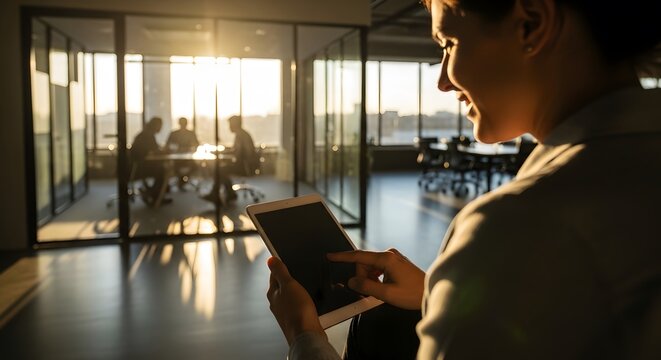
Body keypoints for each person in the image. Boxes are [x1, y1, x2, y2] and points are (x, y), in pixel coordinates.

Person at [266, 0, 661, 359]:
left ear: (533, 25)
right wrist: (438, 293)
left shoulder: (517, 224)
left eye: (448, 44)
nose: (442, 81)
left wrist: (304, 335)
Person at [201, 115, 258, 205]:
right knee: (222, 169)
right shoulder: (242, 134)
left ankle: (217, 194)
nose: (229, 127)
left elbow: (238, 154)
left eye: (230, 124)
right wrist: (223, 153)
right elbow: (237, 151)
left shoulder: (240, 135)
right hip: (245, 164)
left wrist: (223, 155)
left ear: (236, 124)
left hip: (245, 167)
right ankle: (230, 194)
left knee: (219, 170)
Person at [131, 116, 172, 206]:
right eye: (160, 126)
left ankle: (152, 192)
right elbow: (156, 151)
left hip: (135, 166)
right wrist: (166, 150)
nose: (161, 128)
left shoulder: (144, 134)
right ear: (156, 125)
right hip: (139, 168)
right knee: (163, 170)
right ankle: (155, 196)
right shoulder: (148, 135)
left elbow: (152, 150)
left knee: (162, 168)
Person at [166, 117, 200, 190]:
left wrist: (191, 149)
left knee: (193, 166)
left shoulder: (190, 133)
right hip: (176, 156)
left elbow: (197, 144)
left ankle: (182, 180)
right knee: (178, 166)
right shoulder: (174, 133)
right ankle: (182, 180)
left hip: (188, 156)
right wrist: (175, 149)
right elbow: (168, 145)